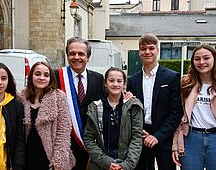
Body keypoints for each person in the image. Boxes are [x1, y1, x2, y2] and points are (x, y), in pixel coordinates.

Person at [127, 33, 183, 170]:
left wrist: (158, 136)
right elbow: (130, 110)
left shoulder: (172, 77)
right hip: (140, 136)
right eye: (143, 48)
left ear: (157, 50)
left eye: (151, 48)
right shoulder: (132, 80)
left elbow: (176, 111)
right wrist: (139, 131)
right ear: (139, 52)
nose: (147, 52)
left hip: (163, 136)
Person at [54, 37, 105, 170]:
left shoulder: (98, 79)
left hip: (89, 144)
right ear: (67, 56)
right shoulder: (55, 77)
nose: (76, 57)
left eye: (81, 54)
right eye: (72, 53)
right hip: (63, 144)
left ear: (88, 57)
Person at [83, 67, 143, 170]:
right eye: (111, 80)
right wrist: (106, 162)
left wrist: (127, 164)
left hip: (126, 160)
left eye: (119, 81)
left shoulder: (133, 106)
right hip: (101, 162)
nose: (115, 84)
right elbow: (88, 139)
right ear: (105, 83)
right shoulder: (95, 107)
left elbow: (137, 137)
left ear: (124, 84)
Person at [19, 61, 75, 170]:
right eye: (37, 74)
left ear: (50, 78)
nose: (42, 78)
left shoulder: (58, 97)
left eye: (46, 75)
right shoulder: (22, 97)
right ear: (31, 76)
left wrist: (58, 161)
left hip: (50, 158)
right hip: (27, 156)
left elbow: (63, 131)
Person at [172, 44, 216, 170]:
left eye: (206, 58)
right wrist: (175, 145)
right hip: (191, 139)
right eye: (197, 59)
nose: (201, 62)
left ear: (214, 59)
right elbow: (179, 117)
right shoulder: (185, 84)